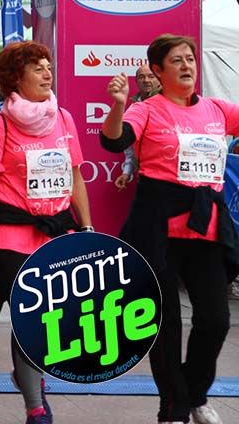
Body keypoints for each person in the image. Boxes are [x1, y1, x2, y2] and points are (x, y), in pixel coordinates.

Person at [101, 34, 239, 424]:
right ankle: (173, 407)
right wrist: (117, 105)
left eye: (190, 59)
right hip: (156, 224)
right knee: (165, 322)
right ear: (158, 72)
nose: (186, 66)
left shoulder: (216, 109)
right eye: (176, 61)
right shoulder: (148, 110)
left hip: (204, 226)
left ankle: (194, 394)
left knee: (215, 320)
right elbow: (114, 141)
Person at [0, 41, 92, 424]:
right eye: (37, 68)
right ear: (14, 79)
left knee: (55, 319)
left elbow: (75, 178)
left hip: (56, 233)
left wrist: (86, 227)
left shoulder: (64, 119)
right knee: (30, 316)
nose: (47, 72)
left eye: (48, 65)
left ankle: (26, 374)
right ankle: (36, 406)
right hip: (10, 235)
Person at [114, 62, 163, 189]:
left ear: (159, 79)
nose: (146, 80)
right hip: (145, 176)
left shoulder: (169, 103)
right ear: (136, 81)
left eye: (151, 76)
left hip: (170, 175)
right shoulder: (133, 108)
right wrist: (126, 172)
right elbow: (130, 148)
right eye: (142, 77)